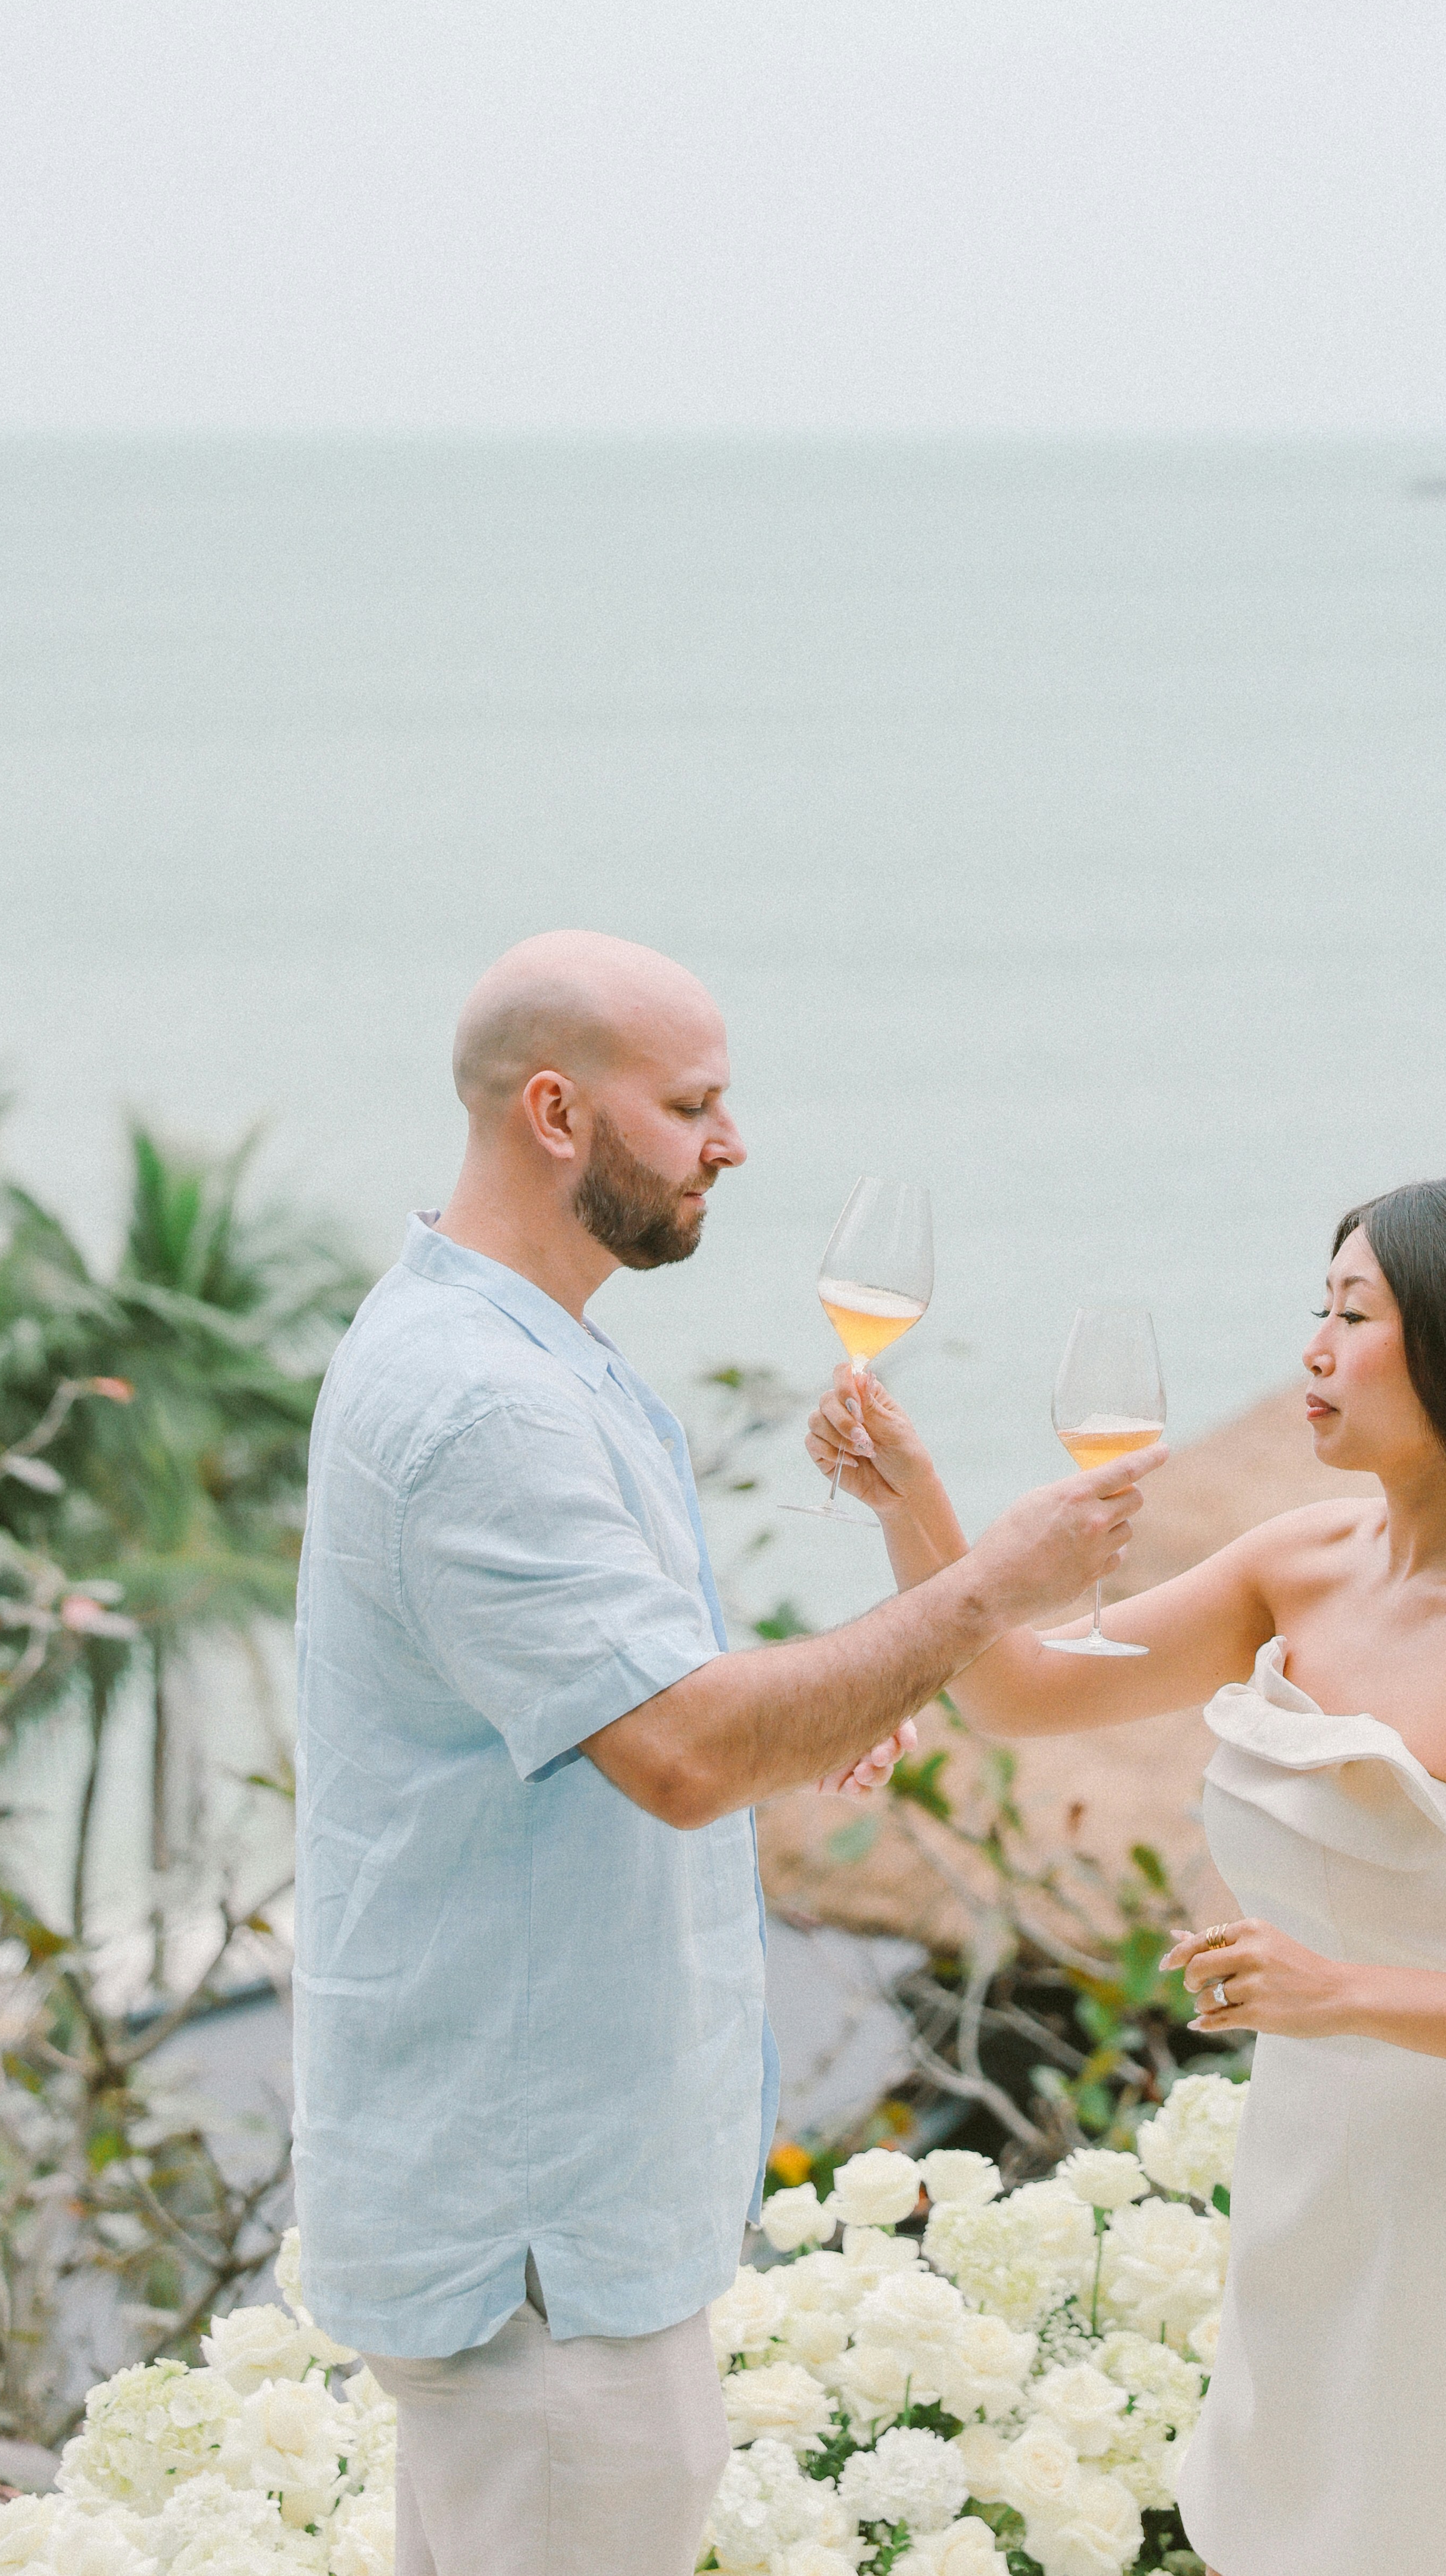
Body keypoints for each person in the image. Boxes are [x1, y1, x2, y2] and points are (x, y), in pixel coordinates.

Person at [290, 928, 1163, 2576]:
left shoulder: (521, 1351)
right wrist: (989, 1589)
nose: (734, 1144)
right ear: (557, 1112)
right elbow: (683, 1753)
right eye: (693, 1105)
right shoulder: (491, 1405)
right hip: (539, 2239)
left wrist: (821, 1706)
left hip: (561, 2220)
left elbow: (641, 1709)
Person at [806, 1166, 1446, 2576]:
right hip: (1309, 2168)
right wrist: (907, 1493)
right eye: (1319, 1306)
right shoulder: (1301, 1558)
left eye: (1356, 1314)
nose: (1313, 1348)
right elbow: (1026, 1691)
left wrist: (1343, 1988)